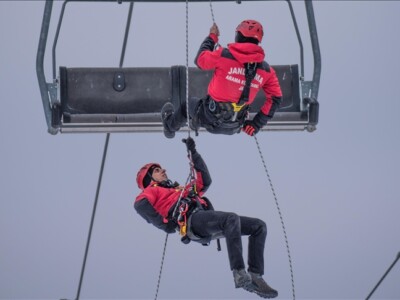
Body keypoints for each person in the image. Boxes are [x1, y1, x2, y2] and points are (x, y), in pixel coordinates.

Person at [134, 137, 278, 298]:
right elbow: (140, 205)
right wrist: (165, 224)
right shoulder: (152, 191)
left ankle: (255, 276)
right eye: (157, 171)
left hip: (202, 219)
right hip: (191, 222)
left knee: (258, 226)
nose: (163, 170)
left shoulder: (180, 190)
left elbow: (204, 182)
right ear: (149, 179)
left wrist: (193, 153)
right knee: (231, 219)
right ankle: (239, 273)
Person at [161, 20, 282, 139]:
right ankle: (177, 125)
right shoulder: (267, 71)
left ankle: (169, 126)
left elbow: (200, 60)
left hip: (209, 117)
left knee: (188, 106)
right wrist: (256, 124)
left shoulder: (223, 55)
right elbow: (276, 98)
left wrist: (212, 36)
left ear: (238, 36)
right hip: (236, 126)